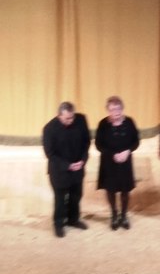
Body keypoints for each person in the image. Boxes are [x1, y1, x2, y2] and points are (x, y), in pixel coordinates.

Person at [42, 102, 91, 238]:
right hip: (59, 171)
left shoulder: (81, 120)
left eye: (72, 117)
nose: (71, 121)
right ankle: (58, 224)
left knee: (76, 196)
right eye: (67, 118)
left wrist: (83, 160)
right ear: (59, 116)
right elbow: (50, 154)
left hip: (78, 168)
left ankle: (73, 220)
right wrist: (67, 166)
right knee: (60, 200)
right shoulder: (49, 129)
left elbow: (86, 142)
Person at [95, 96, 140, 230]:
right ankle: (114, 215)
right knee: (111, 190)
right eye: (112, 110)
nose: (116, 112)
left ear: (122, 109)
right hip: (109, 163)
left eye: (118, 109)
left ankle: (124, 215)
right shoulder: (103, 124)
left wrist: (128, 151)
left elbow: (136, 141)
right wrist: (112, 154)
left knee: (125, 190)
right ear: (108, 110)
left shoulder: (129, 122)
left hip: (125, 162)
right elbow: (98, 144)